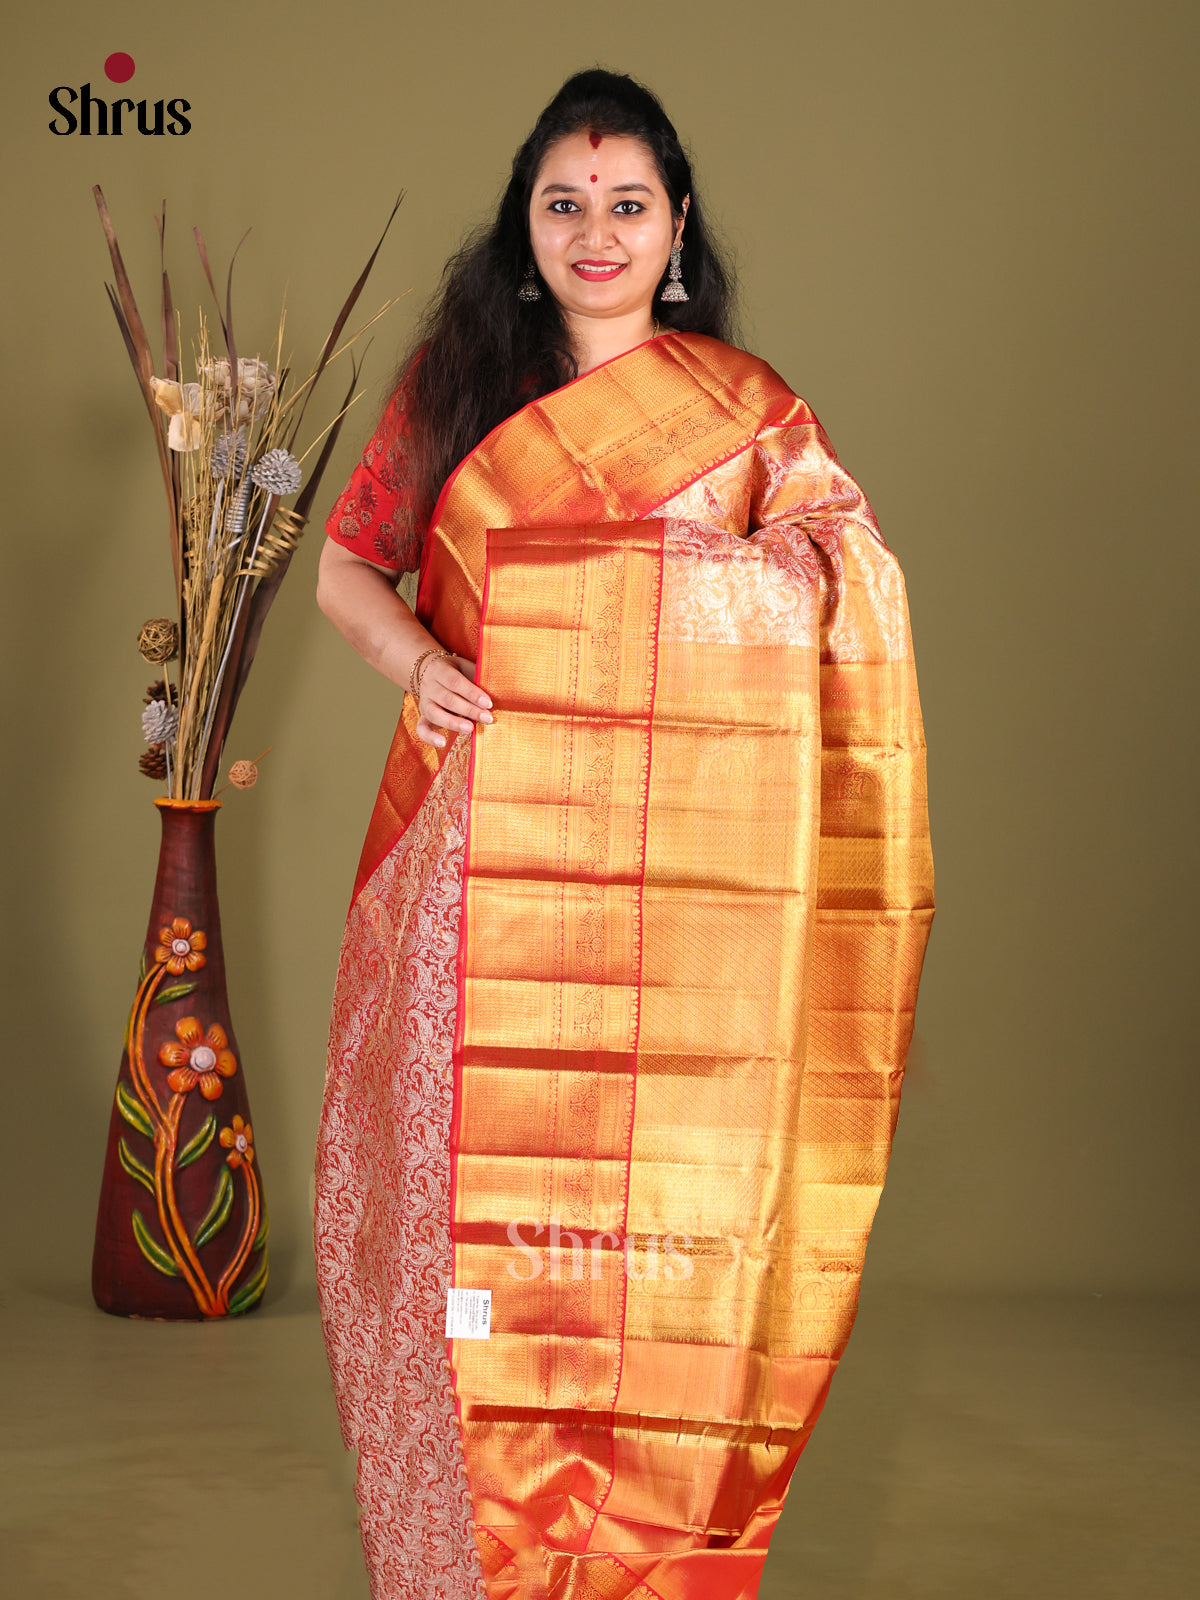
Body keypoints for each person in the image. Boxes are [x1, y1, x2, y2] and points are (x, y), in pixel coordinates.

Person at [313, 67, 934, 1600]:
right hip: (482, 866)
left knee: (661, 1225)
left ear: (675, 231)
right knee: (470, 1225)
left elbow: (841, 578)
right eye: (565, 203)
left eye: (627, 205)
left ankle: (637, 1558)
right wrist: (425, 666)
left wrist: (646, 595)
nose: (597, 232)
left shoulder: (745, 414)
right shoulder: (460, 391)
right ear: (528, 232)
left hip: (682, 902)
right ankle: (460, 1565)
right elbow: (346, 569)